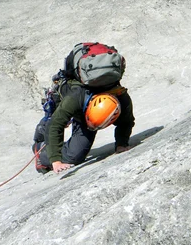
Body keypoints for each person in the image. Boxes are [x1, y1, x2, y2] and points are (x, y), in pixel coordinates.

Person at [32, 44, 135, 174]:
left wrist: (122, 144)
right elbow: (55, 125)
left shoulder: (121, 98)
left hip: (87, 107)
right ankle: (40, 147)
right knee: (71, 157)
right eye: (93, 125)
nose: (94, 129)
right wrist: (56, 161)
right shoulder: (76, 97)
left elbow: (127, 122)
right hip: (70, 100)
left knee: (76, 154)